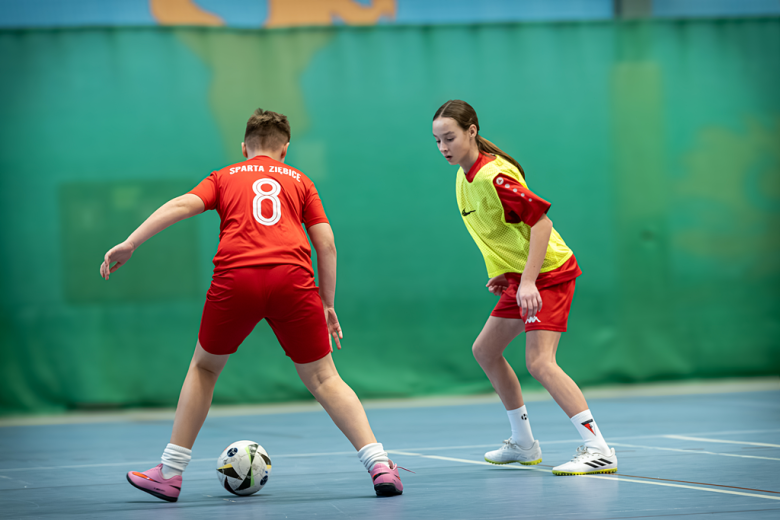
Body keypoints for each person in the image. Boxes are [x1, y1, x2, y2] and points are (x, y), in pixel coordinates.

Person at [102, 109, 405, 501]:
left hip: (237, 278)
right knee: (324, 377)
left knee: (205, 368)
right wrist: (327, 303)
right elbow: (326, 245)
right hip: (292, 280)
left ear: (244, 147)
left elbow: (180, 205)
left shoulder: (224, 176)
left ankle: (171, 472)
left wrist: (131, 242)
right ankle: (379, 464)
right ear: (285, 149)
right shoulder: (301, 181)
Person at [431, 100, 617, 475]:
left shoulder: (495, 177)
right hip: (520, 278)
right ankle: (524, 443)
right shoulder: (463, 176)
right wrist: (508, 273)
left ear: (472, 131)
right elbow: (504, 232)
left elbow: (541, 224)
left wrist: (528, 280)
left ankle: (599, 448)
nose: (443, 148)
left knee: (540, 362)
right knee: (485, 351)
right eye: (437, 141)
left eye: (449, 138)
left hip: (548, 273)